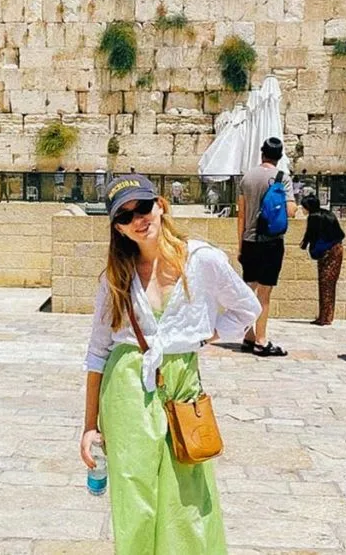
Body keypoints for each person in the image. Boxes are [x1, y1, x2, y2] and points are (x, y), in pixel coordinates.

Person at [80, 174, 260, 554]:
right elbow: (97, 353)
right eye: (126, 216)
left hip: (182, 384)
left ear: (160, 205)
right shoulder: (116, 277)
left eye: (143, 207)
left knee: (188, 499)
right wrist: (88, 427)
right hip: (127, 387)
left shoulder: (202, 260)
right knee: (135, 500)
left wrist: (205, 334)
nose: (138, 219)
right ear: (118, 228)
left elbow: (248, 308)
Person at [237, 137, 295, 357]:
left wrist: (240, 244)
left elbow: (241, 214)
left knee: (248, 290)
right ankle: (261, 340)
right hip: (270, 242)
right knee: (264, 294)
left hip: (249, 241)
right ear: (279, 157)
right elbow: (290, 211)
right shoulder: (282, 178)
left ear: (262, 153)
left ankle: (248, 335)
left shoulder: (247, 178)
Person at [299, 195, 345, 326]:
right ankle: (327, 316)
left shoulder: (314, 216)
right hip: (336, 249)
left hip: (328, 252)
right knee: (330, 284)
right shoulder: (327, 213)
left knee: (325, 284)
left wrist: (303, 245)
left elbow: (310, 234)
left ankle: (324, 317)